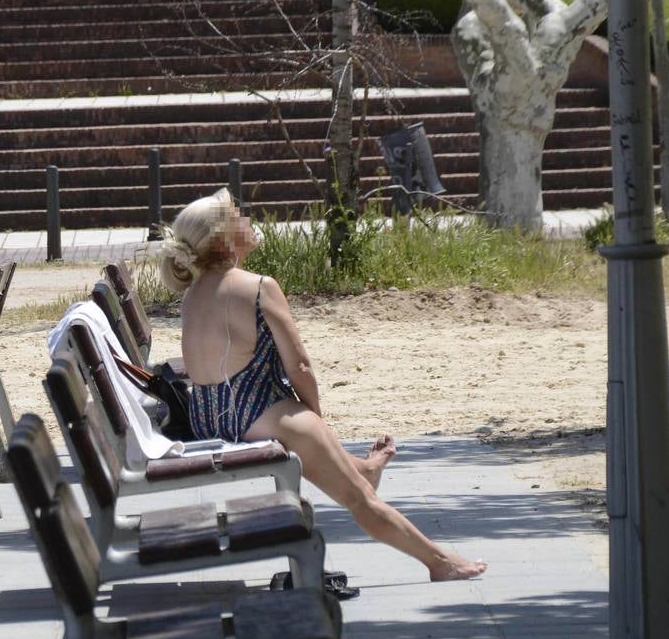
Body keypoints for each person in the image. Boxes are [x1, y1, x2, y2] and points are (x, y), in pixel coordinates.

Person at [160, 188, 486, 582]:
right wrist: (316, 419)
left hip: (209, 417)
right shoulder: (259, 286)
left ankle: (362, 468)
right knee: (357, 500)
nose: (250, 221)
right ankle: (438, 561)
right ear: (225, 238)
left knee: (333, 459)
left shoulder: (192, 294)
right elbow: (299, 365)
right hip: (256, 412)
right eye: (240, 217)